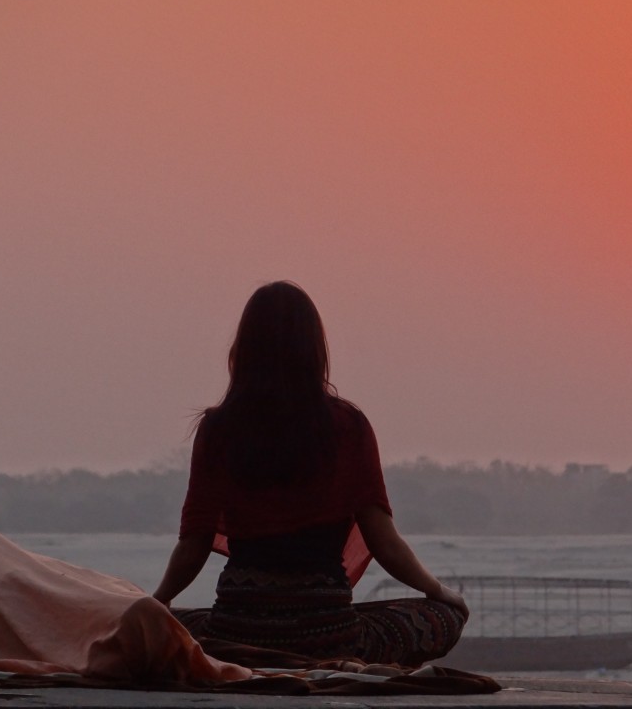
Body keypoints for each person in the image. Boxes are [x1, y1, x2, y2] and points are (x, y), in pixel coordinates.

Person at [153, 281, 467, 667]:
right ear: (315, 350)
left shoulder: (219, 429)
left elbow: (193, 545)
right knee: (445, 617)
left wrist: (158, 603)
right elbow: (384, 541)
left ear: (245, 349)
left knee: (174, 623)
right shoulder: (347, 425)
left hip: (236, 632)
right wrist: (437, 590)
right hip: (330, 636)